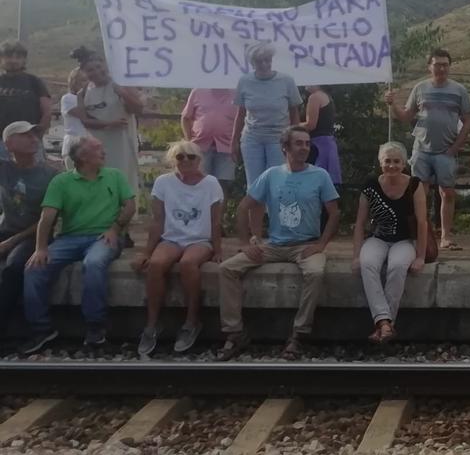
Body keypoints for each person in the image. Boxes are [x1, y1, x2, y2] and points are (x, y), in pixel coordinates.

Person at [218, 126, 339, 360]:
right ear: (285, 147)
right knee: (227, 269)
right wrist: (245, 242)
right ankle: (235, 333)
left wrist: (321, 245)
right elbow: (244, 207)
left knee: (315, 273)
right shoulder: (272, 174)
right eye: (298, 143)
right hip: (274, 245)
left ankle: (298, 334)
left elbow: (334, 213)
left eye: (306, 143)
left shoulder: (319, 175)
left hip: (306, 245)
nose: (304, 147)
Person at [21, 136, 135, 353]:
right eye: (97, 148)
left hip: (104, 236)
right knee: (34, 268)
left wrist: (115, 228)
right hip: (69, 238)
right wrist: (40, 248)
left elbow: (130, 206)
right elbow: (47, 218)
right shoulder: (61, 182)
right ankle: (41, 330)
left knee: (93, 263)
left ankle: (95, 327)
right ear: (83, 157)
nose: (103, 151)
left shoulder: (114, 176)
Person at [131, 141, 223, 356]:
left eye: (191, 157)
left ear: (199, 160)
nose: (185, 161)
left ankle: (192, 321)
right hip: (172, 238)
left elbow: (216, 221)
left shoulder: (211, 183)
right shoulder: (163, 182)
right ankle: (152, 324)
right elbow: (157, 220)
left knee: (188, 264)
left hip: (200, 239)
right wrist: (146, 251)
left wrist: (218, 250)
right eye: (180, 157)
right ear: (173, 160)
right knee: (155, 264)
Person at [387, 49, 470, 252]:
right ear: (430, 66)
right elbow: (406, 116)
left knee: (448, 193)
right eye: (437, 64)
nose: (441, 68)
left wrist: (455, 147)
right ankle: (422, 236)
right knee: (420, 194)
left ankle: (445, 236)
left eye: (445, 64)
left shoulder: (459, 90)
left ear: (449, 66)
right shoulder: (420, 88)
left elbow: (468, 120)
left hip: (446, 151)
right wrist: (392, 105)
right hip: (422, 150)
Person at [352, 142, 427, 344]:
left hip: (404, 240)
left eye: (396, 161)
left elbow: (422, 222)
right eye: (387, 161)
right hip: (378, 238)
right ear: (380, 162)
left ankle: (383, 324)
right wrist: (355, 255)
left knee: (397, 266)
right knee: (368, 264)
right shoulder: (370, 185)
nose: (392, 165)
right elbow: (360, 223)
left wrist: (420, 256)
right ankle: (386, 324)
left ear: (404, 164)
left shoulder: (415, 184)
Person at [0, 122, 58, 336]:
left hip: (34, 234)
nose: (33, 138)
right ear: (8, 144)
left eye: (34, 134)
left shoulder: (50, 175)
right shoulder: (5, 168)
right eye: (24, 135)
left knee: (14, 267)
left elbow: (48, 220)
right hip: (7, 229)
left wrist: (10, 242)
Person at [72, 52, 142, 197]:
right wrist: (109, 123)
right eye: (90, 70)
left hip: (122, 143)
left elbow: (138, 108)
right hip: (98, 146)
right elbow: (85, 121)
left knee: (123, 177)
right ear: (84, 73)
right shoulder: (83, 93)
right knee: (100, 178)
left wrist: (123, 93)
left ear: (105, 65)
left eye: (99, 67)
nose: (97, 72)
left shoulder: (120, 84)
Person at [232, 44, 302, 186]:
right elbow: (240, 114)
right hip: (252, 138)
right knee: (255, 184)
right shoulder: (244, 81)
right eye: (259, 61)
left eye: (267, 60)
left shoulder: (286, 81)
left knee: (277, 182)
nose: (264, 64)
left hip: (279, 138)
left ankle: (274, 209)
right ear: (252, 63)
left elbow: (294, 112)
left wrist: (296, 139)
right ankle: (255, 209)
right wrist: (233, 141)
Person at [0, 41, 51, 161]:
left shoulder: (34, 82)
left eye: (18, 57)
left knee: (33, 176)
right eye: (8, 56)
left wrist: (37, 136)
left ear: (24, 60)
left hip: (30, 141)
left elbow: (47, 111)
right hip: (1, 143)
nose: (13, 60)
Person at [181, 88, 239, 194]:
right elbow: (185, 118)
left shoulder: (237, 94)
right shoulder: (198, 91)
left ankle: (218, 211)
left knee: (222, 186)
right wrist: (189, 142)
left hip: (227, 147)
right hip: (199, 147)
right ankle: (199, 210)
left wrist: (236, 143)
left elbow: (242, 119)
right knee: (198, 182)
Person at [302, 85, 341, 186]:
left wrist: (289, 126)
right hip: (328, 145)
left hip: (318, 147)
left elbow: (310, 125)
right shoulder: (327, 96)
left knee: (315, 184)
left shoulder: (314, 97)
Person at [59, 65, 90, 169]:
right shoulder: (68, 98)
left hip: (90, 142)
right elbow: (82, 114)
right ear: (74, 82)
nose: (87, 83)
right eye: (83, 80)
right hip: (74, 141)